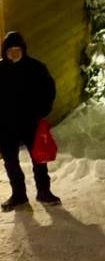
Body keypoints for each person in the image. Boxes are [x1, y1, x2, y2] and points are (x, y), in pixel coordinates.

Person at [0, 32, 59, 211]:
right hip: (5, 125)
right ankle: (19, 194)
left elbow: (49, 90)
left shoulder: (36, 68)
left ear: (23, 50)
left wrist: (42, 111)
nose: (14, 54)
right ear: (5, 52)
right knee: (10, 161)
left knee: (39, 159)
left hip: (30, 123)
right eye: (11, 51)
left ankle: (44, 191)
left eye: (18, 50)